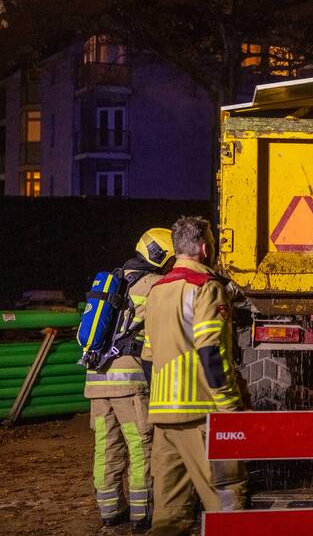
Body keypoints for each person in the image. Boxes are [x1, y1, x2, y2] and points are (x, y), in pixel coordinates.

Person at [141, 216, 247, 535]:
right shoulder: (206, 287)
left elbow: (148, 357)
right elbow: (211, 351)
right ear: (204, 248)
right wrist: (230, 406)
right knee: (226, 503)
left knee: (168, 515)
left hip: (163, 418)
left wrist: (159, 402)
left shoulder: (157, 291)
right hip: (202, 416)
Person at [86, 227, 174, 532]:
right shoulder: (155, 285)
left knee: (106, 446)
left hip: (96, 378)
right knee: (141, 445)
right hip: (128, 380)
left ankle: (110, 511)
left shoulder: (115, 278)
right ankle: (143, 513)